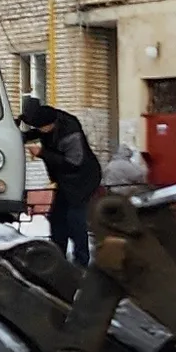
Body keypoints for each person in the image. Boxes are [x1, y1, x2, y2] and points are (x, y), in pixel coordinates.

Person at [19, 96, 102, 267]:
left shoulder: (70, 133)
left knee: (75, 219)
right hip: (65, 181)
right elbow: (36, 130)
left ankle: (81, 261)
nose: (39, 131)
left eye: (42, 128)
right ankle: (58, 256)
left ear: (52, 125)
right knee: (56, 218)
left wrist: (42, 153)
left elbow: (74, 163)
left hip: (82, 180)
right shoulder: (49, 120)